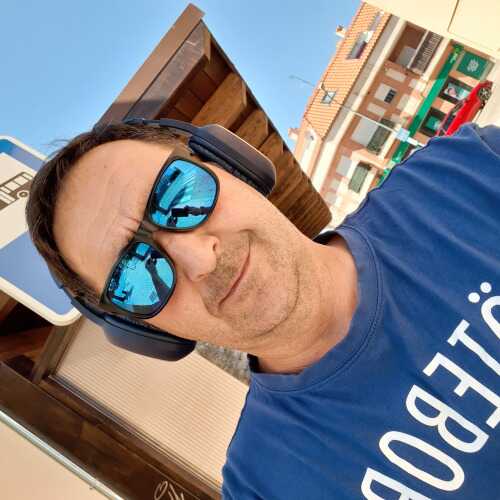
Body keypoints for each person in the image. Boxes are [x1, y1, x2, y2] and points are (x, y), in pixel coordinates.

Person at [26, 121, 499, 499]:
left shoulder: (463, 175)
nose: (200, 260)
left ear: (232, 166)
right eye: (134, 276)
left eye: (179, 192)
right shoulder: (264, 488)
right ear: (143, 330)